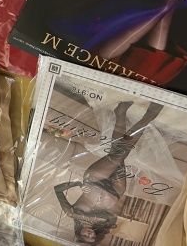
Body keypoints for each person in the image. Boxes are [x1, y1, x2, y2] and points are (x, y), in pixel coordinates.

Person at [53, 101, 164, 244]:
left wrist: (77, 184)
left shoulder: (71, 213)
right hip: (116, 190)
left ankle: (147, 116)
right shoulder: (101, 226)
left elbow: (57, 189)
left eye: (86, 237)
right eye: (93, 238)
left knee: (120, 153)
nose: (91, 234)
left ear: (78, 235)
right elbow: (110, 217)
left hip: (95, 179)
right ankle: (122, 113)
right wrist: (97, 218)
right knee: (119, 151)